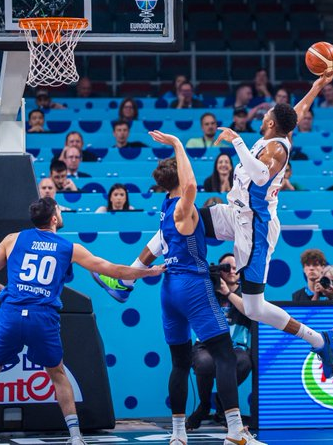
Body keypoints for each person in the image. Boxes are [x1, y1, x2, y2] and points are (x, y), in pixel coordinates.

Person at [96, 72, 333, 380]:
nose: (263, 115)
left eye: (266, 114)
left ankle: (320, 341)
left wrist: (237, 141)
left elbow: (261, 176)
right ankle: (125, 282)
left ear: (270, 123)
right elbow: (298, 110)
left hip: (255, 228)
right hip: (234, 212)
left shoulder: (277, 149)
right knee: (174, 223)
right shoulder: (279, 132)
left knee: (254, 308)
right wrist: (318, 84)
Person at [0, 197, 165, 445]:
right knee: (58, 374)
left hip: (11, 315)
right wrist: (148, 272)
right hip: (42, 318)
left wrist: (5, 292)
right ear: (54, 218)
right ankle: (75, 437)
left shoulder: (12, 239)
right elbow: (113, 270)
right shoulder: (69, 248)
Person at [93, 131, 264, 445]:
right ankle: (235, 431)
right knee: (225, 356)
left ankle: (178, 434)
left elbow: (153, 247)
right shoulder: (183, 209)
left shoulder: (164, 209)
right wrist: (177, 144)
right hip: (192, 286)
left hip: (169, 289)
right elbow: (191, 185)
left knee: (180, 363)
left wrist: (131, 276)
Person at [187, 253, 253, 430]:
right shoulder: (208, 291)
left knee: (243, 362)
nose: (231, 271)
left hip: (236, 346)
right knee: (204, 362)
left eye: (235, 268)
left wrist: (227, 293)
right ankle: (204, 405)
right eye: (226, 267)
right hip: (207, 344)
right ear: (219, 271)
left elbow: (251, 311)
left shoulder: (248, 292)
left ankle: (222, 403)